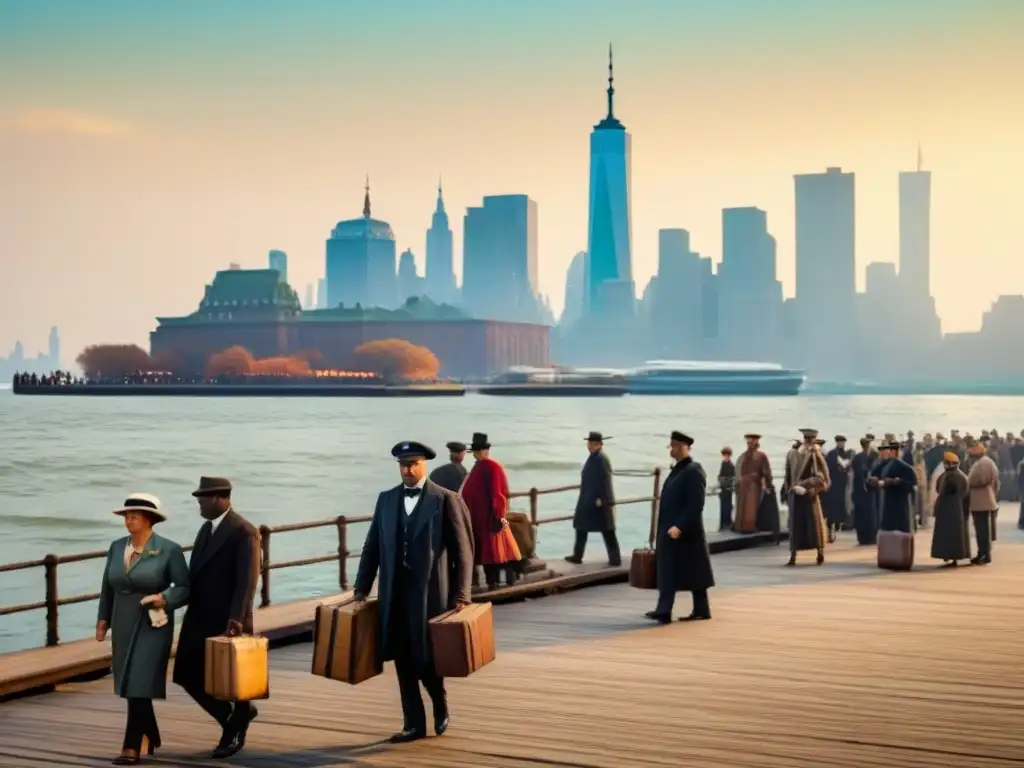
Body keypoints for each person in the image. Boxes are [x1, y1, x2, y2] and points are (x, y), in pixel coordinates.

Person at [353, 441, 474, 743]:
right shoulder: (386, 500)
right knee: (402, 658)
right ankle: (413, 725)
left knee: (426, 658)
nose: (407, 470)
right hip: (394, 593)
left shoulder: (446, 499)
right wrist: (360, 589)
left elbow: (464, 552)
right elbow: (372, 547)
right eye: (403, 465)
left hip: (431, 595)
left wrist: (462, 594)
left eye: (413, 464)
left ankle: (439, 699)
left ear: (425, 465)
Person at [96, 494, 189, 765]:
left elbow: (184, 588)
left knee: (139, 679)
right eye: (126, 515)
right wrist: (103, 620)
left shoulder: (169, 549)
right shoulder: (115, 548)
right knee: (129, 680)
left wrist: (165, 599)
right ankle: (151, 732)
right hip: (122, 620)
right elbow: (107, 587)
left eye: (134, 515)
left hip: (153, 622)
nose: (128, 519)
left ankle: (131, 745)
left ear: (150, 519)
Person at [172, 477, 260, 759]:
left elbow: (248, 580)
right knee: (185, 672)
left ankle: (233, 728)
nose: (199, 502)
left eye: (203, 498)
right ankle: (232, 718)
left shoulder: (243, 531)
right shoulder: (205, 529)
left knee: (236, 681)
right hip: (199, 614)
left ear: (221, 498)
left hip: (228, 619)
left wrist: (236, 617)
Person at [645, 431, 713, 624]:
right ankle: (665, 609)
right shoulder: (679, 469)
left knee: (692, 571)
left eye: (675, 446)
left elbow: (696, 504)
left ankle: (686, 609)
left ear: (686, 447)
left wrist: (680, 526)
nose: (672, 449)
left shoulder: (693, 470)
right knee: (671, 571)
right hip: (669, 529)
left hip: (684, 531)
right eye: (671, 445)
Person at [460, 432, 522, 589]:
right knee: (490, 551)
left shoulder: (491, 467)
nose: (474, 454)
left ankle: (494, 581)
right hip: (479, 517)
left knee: (493, 552)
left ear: (483, 451)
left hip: (489, 517)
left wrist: (498, 516)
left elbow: (498, 494)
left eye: (476, 451)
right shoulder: (480, 466)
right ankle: (496, 580)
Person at [566, 431, 621, 566]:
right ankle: (577, 555)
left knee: (607, 530)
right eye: (588, 443)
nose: (589, 445)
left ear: (598, 445)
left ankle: (615, 559)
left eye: (591, 443)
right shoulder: (594, 457)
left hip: (597, 500)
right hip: (588, 498)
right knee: (581, 526)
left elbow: (605, 481)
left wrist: (603, 499)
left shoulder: (601, 459)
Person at [786, 429, 830, 566]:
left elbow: (822, 477)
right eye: (806, 438)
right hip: (796, 494)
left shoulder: (815, 454)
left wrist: (805, 486)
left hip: (809, 494)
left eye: (809, 439)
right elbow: (788, 474)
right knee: (795, 526)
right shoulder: (793, 453)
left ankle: (820, 552)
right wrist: (790, 489)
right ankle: (793, 555)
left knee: (814, 524)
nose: (808, 441)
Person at [930, 452, 971, 566]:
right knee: (950, 533)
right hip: (950, 509)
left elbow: (950, 490)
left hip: (953, 509)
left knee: (952, 534)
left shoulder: (955, 476)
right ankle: (949, 555)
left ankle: (953, 556)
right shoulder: (953, 475)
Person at [869, 441, 918, 533]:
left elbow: (912, 484)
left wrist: (897, 482)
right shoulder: (884, 464)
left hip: (900, 504)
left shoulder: (905, 467)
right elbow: (873, 476)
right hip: (886, 502)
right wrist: (873, 480)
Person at [966, 440, 999, 565]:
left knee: (982, 530)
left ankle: (985, 554)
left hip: (982, 501)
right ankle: (982, 553)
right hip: (981, 500)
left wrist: (968, 483)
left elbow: (982, 480)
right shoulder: (984, 462)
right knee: (981, 530)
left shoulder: (984, 463)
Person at [734, 434, 772, 533]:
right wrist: (768, 484)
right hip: (753, 485)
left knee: (745, 505)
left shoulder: (743, 456)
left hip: (745, 484)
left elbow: (738, 472)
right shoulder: (760, 456)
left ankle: (742, 526)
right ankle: (749, 526)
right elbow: (766, 472)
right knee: (750, 505)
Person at [823, 435, 853, 538]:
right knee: (834, 505)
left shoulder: (846, 454)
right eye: (840, 442)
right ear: (837, 442)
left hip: (843, 484)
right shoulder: (832, 454)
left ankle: (839, 523)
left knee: (841, 504)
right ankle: (833, 525)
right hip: (834, 484)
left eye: (843, 442)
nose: (842, 444)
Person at [850, 437, 879, 545]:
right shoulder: (871, 457)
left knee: (861, 515)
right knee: (870, 514)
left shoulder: (857, 457)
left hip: (859, 491)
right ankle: (870, 537)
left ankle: (862, 537)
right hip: (868, 491)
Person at [717, 447, 736, 532]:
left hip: (727, 489)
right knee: (724, 507)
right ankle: (724, 523)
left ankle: (727, 523)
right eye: (724, 455)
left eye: (727, 455)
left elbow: (732, 478)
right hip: (724, 489)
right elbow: (721, 475)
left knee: (727, 506)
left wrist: (724, 480)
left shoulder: (730, 465)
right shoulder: (723, 463)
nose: (725, 457)